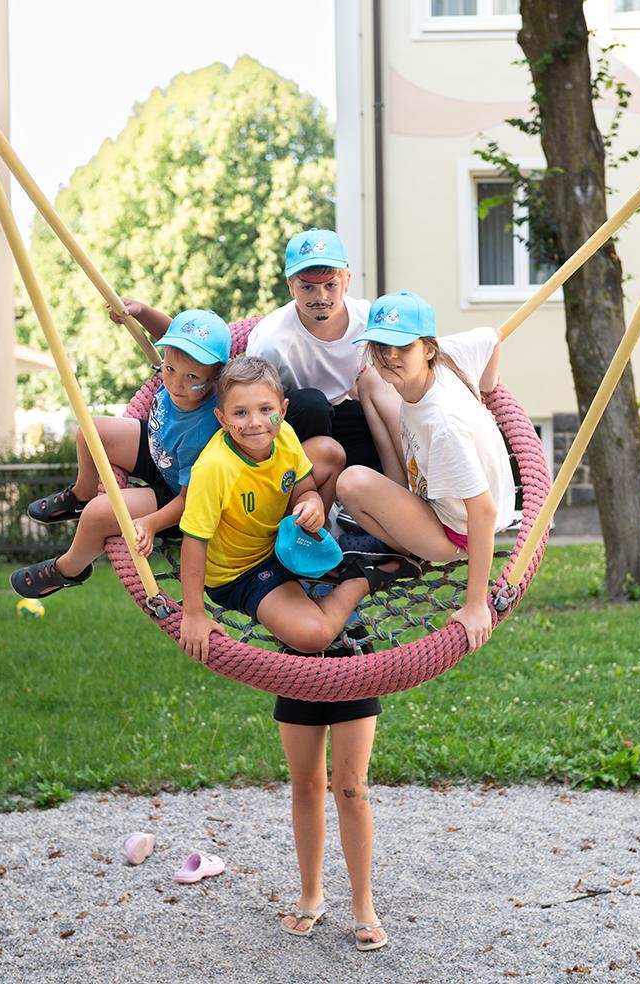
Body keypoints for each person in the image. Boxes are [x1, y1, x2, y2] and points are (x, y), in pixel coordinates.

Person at [178, 355, 422, 951]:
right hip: (253, 578)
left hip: (336, 637)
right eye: (240, 412)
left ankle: (363, 905)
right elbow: (193, 543)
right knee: (306, 783)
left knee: (352, 786)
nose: (255, 421)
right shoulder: (215, 467)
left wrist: (310, 500)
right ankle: (311, 894)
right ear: (221, 417)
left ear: (282, 411)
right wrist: (191, 613)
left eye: (265, 409)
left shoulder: (286, 438)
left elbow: (304, 481)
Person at [337, 291, 516, 652]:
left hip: (453, 533)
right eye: (380, 345)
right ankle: (397, 510)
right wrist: (487, 387)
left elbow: (482, 512)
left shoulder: (444, 425)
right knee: (370, 378)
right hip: (431, 487)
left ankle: (403, 552)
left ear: (427, 348)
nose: (389, 355)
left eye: (402, 347)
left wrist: (476, 603)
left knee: (351, 482)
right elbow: (491, 336)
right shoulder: (449, 355)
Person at [10, 309, 232, 599]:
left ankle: (69, 568)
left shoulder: (204, 430)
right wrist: (140, 312)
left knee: (98, 514)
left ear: (217, 376)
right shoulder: (184, 375)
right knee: (92, 432)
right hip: (161, 450)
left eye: (192, 377)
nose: (176, 384)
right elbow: (169, 333)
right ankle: (82, 492)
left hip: (181, 496)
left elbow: (189, 500)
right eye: (169, 369)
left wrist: (152, 523)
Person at [245, 227, 405, 481]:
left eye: (331, 285)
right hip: (294, 422)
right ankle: (305, 488)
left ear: (347, 282)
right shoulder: (271, 340)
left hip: (342, 413)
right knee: (313, 404)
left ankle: (393, 483)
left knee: (374, 391)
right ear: (290, 287)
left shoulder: (367, 320)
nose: (320, 297)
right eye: (307, 288)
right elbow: (253, 402)